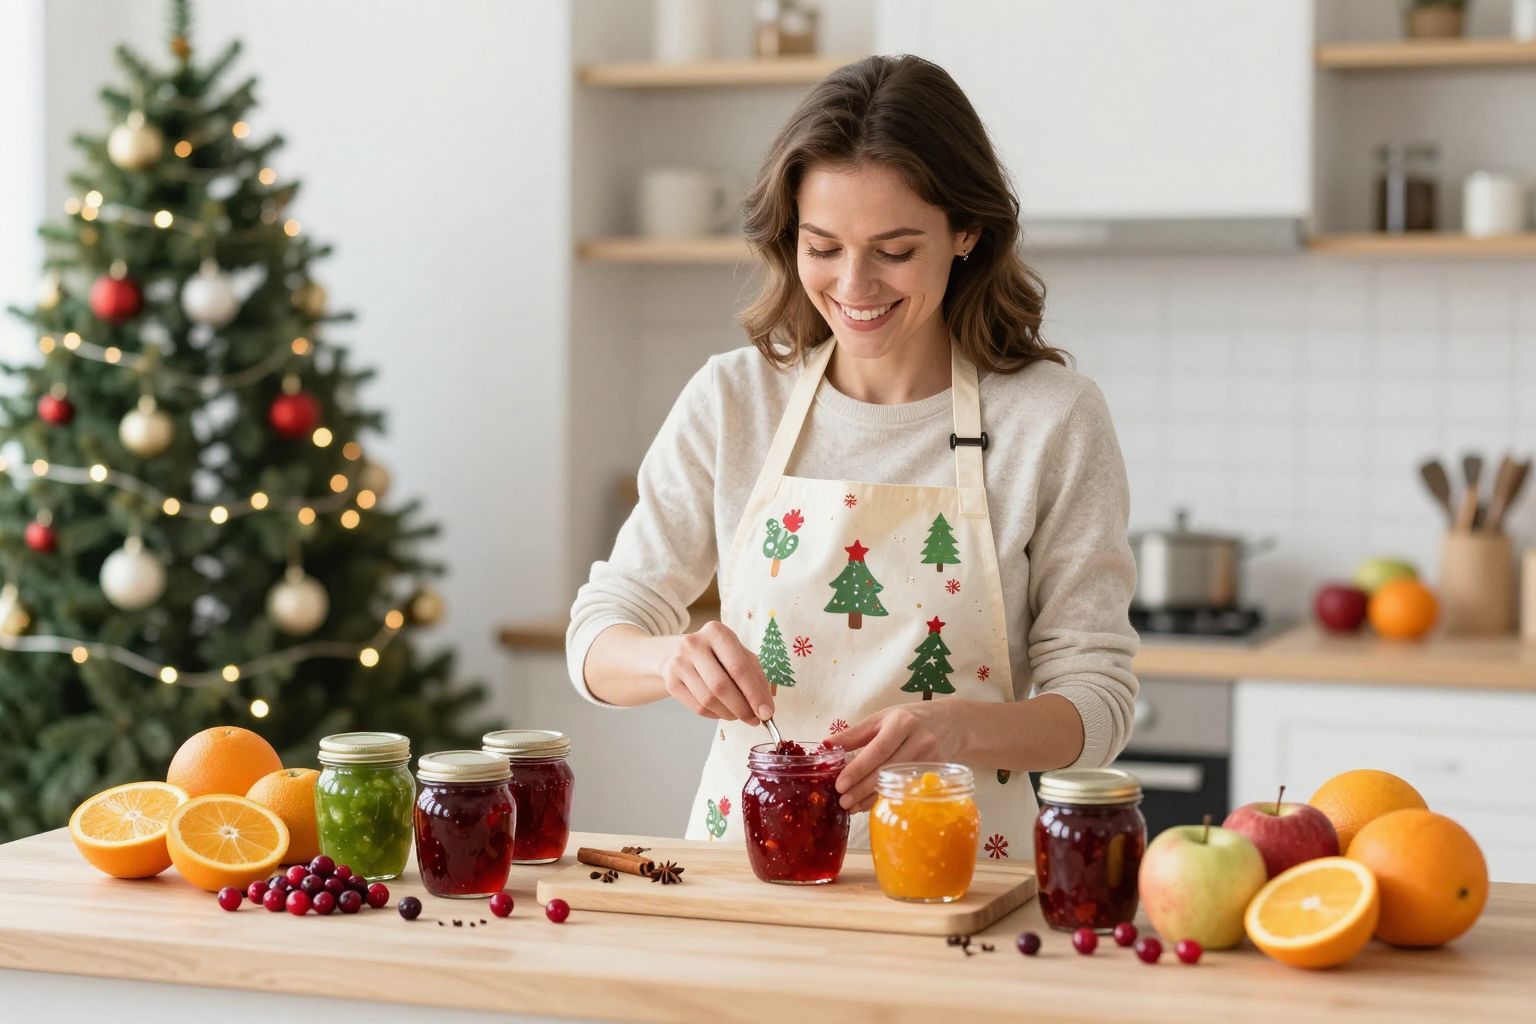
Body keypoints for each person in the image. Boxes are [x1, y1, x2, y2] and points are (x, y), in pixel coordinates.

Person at [566, 55, 1138, 859]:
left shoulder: (1052, 420)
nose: (853, 284)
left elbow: (1098, 701)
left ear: (967, 232)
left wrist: (961, 730)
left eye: (895, 249)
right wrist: (671, 659)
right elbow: (597, 635)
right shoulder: (734, 402)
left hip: (963, 881)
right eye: (823, 246)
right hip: (745, 875)